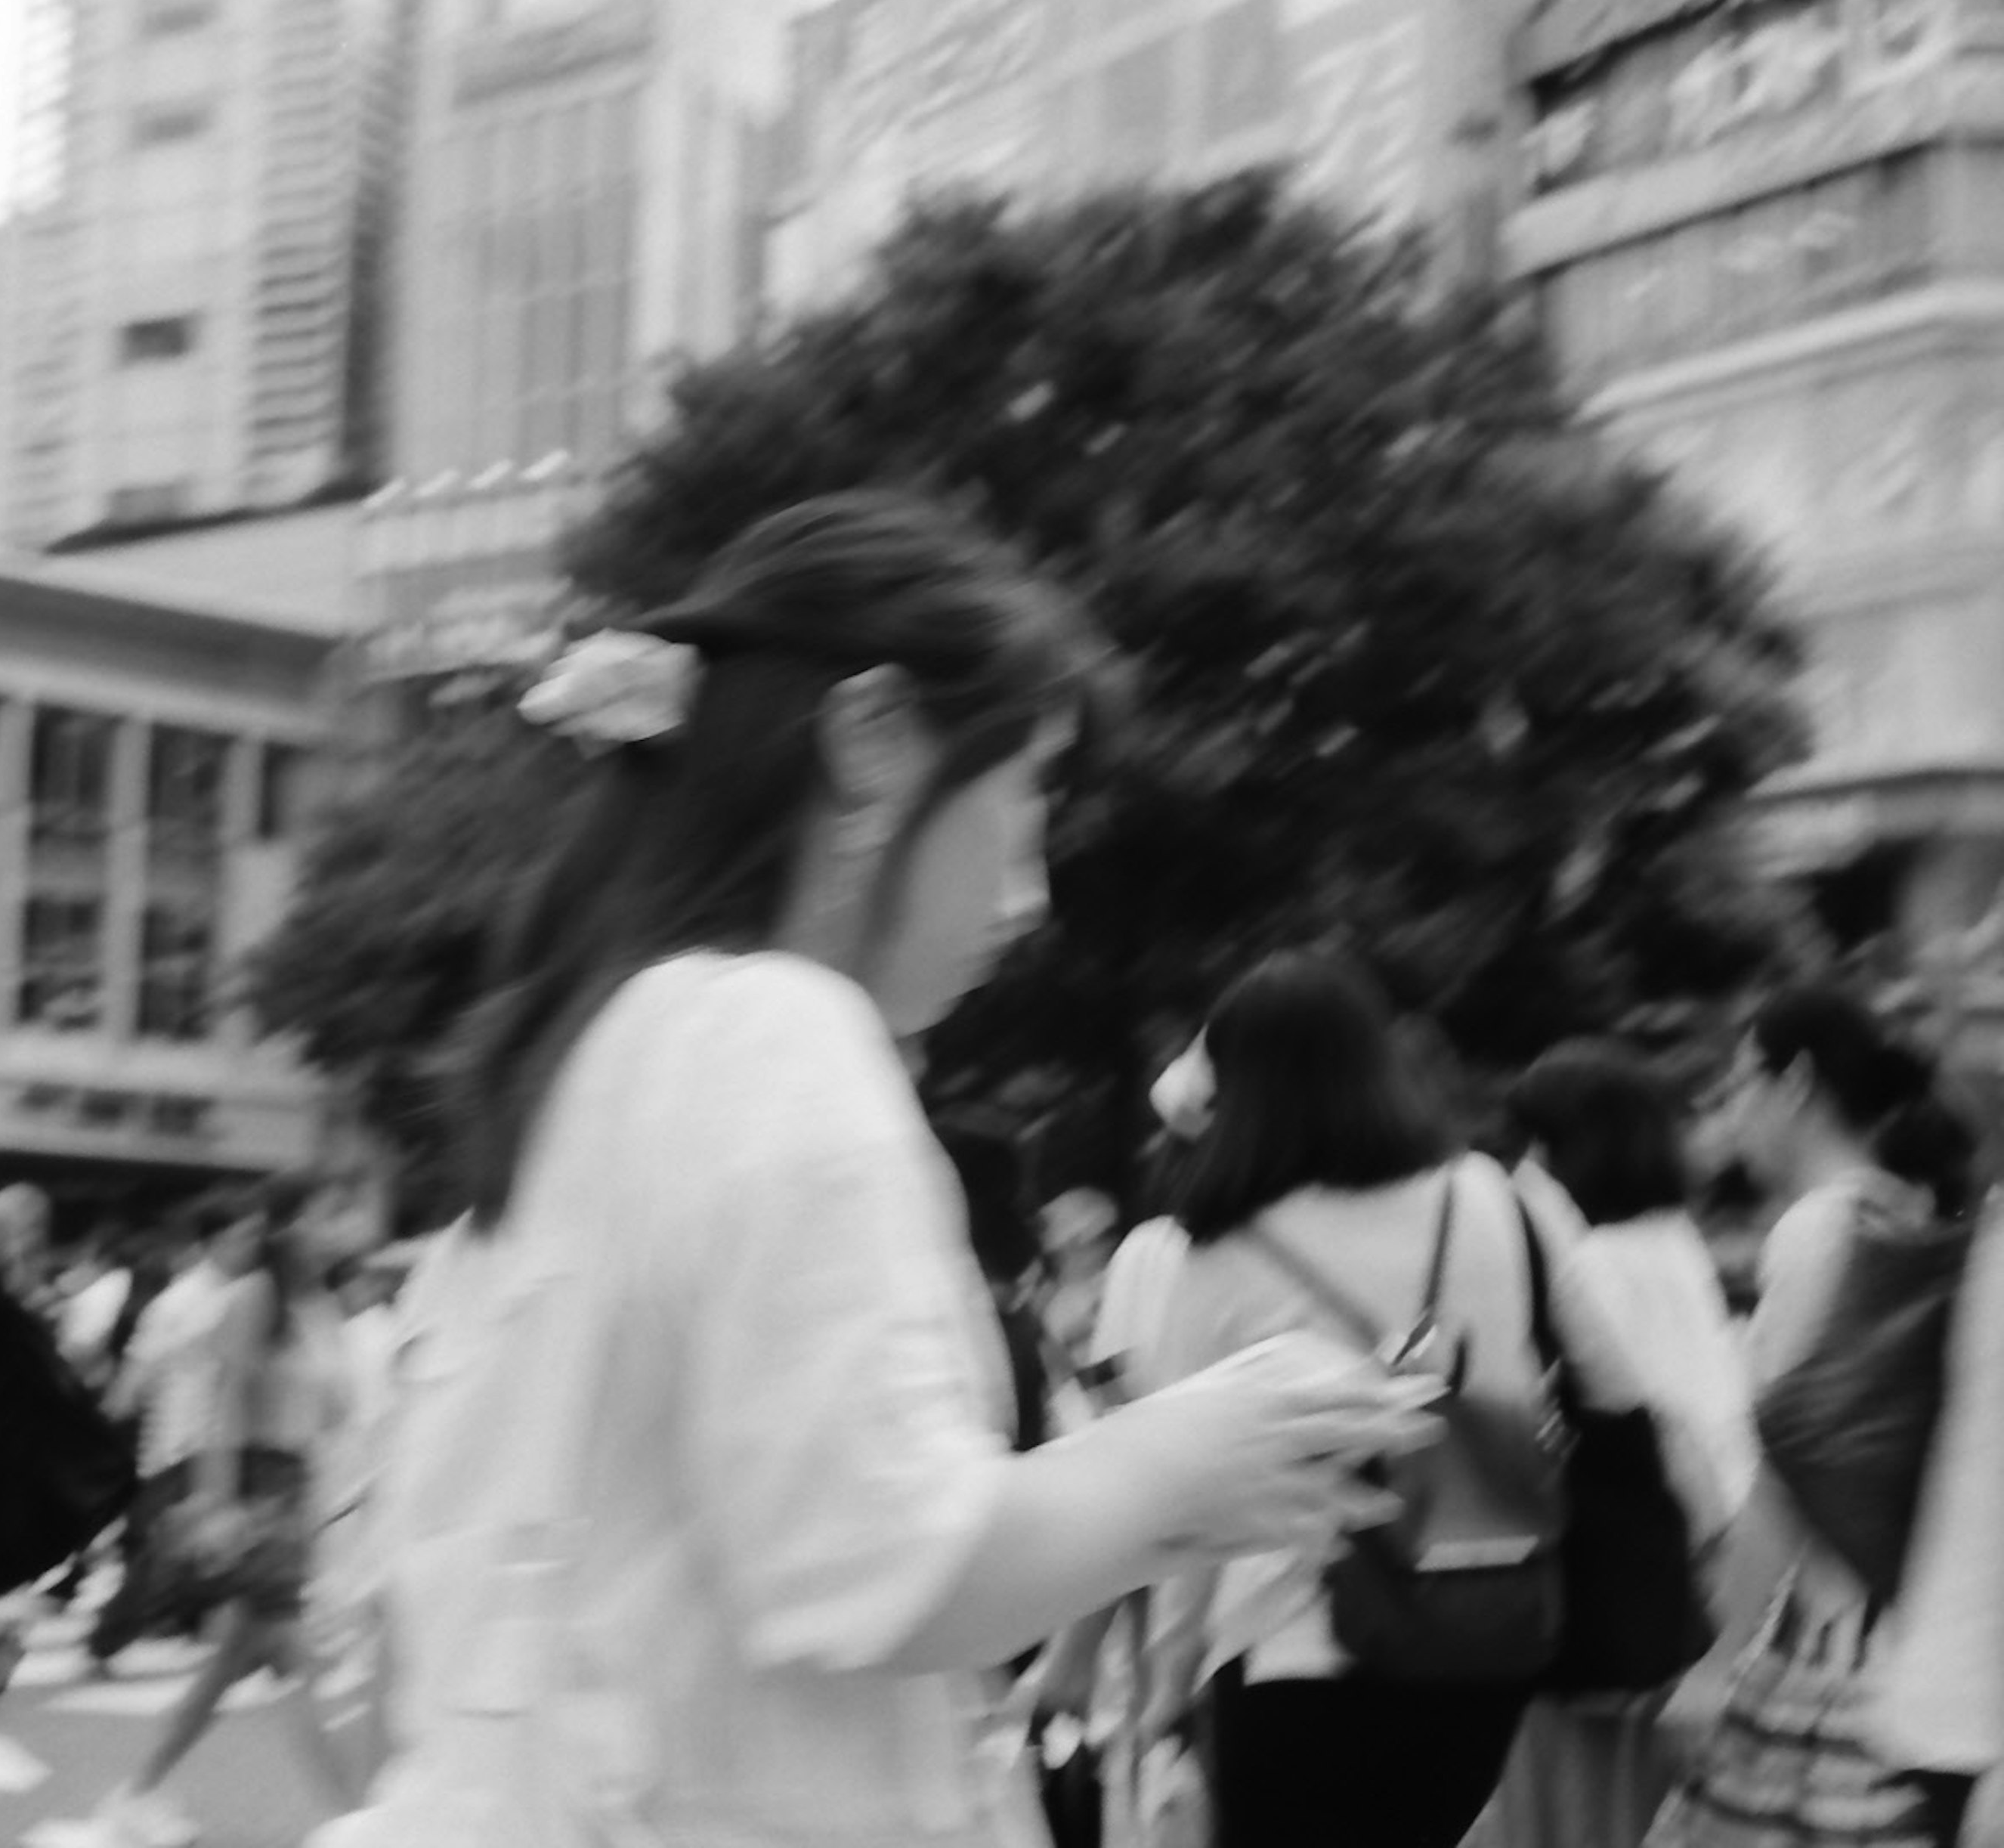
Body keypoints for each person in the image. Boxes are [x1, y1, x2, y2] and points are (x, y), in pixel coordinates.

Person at [311, 494, 1432, 1847]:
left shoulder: (605, 1050)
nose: (1030, 897)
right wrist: (1216, 1441)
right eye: (1022, 806)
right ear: (875, 735)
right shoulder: (775, 1029)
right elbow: (889, 1560)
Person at [1143, 950, 1545, 1848]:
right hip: (1479, 1644)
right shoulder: (1477, 1194)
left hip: (1298, 1654)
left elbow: (1183, 1492)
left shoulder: (1219, 1247)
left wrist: (1167, 1687)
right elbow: (1506, 1387)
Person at [1656, 986, 1999, 1848]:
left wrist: (1714, 1662)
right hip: (1897, 1649)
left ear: (1796, 1082)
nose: (1730, 1113)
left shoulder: (1819, 1229)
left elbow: (1790, 1468)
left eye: (1738, 1083)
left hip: (1833, 1664)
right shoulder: (1907, 1206)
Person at [1483, 1040, 1754, 1848]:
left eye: (1533, 1141)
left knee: (1587, 1814)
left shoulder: (1589, 1266)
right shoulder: (1675, 1245)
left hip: (1630, 1585)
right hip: (1712, 1565)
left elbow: (1648, 1428)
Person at [96, 1187, 363, 1843]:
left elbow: (335, 1412)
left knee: (229, 1667)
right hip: (259, 1488)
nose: (338, 1231)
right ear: (290, 1223)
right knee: (296, 1656)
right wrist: (218, 1506)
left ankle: (135, 1795)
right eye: (328, 1213)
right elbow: (226, 1408)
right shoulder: (256, 1299)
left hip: (297, 1488)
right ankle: (358, 1818)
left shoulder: (319, 1304)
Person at [86, 1202, 241, 1672]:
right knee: (162, 1547)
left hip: (216, 1439)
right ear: (213, 1243)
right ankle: (108, 1637)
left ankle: (193, 1624)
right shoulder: (178, 1302)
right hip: (178, 1442)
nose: (251, 1245)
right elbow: (137, 1370)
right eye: (242, 1236)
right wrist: (105, 1430)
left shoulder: (240, 1296)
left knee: (200, 1542)